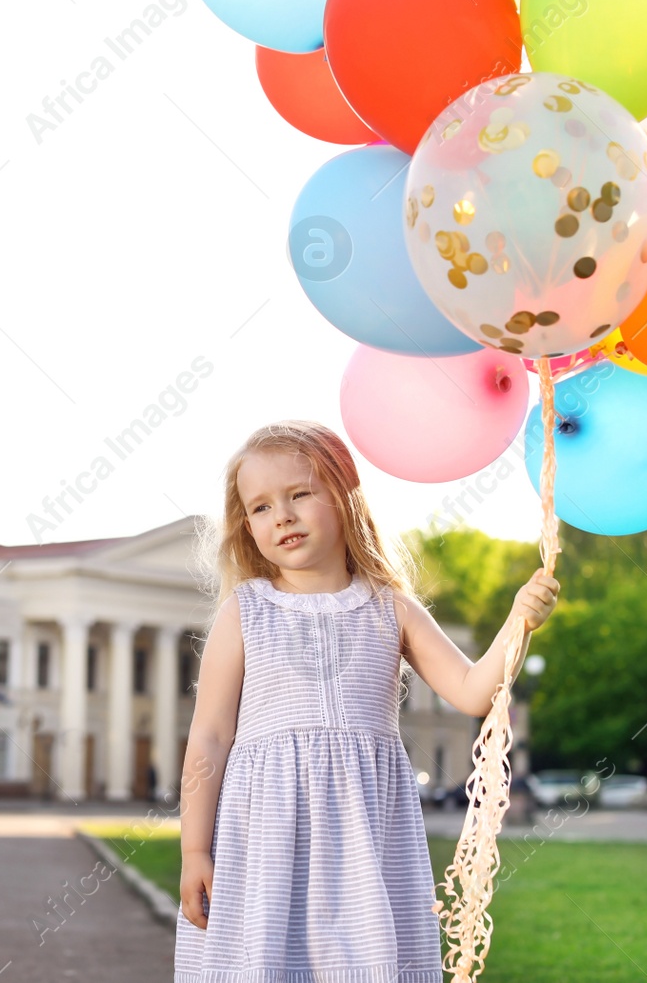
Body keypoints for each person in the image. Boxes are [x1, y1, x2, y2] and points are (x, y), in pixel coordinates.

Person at [174, 421, 559, 983]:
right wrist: (193, 851)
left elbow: (473, 690)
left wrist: (519, 621)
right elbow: (209, 736)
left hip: (366, 838)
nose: (281, 515)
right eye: (259, 507)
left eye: (299, 493)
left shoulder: (390, 608)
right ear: (245, 526)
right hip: (265, 839)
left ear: (343, 494)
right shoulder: (245, 611)